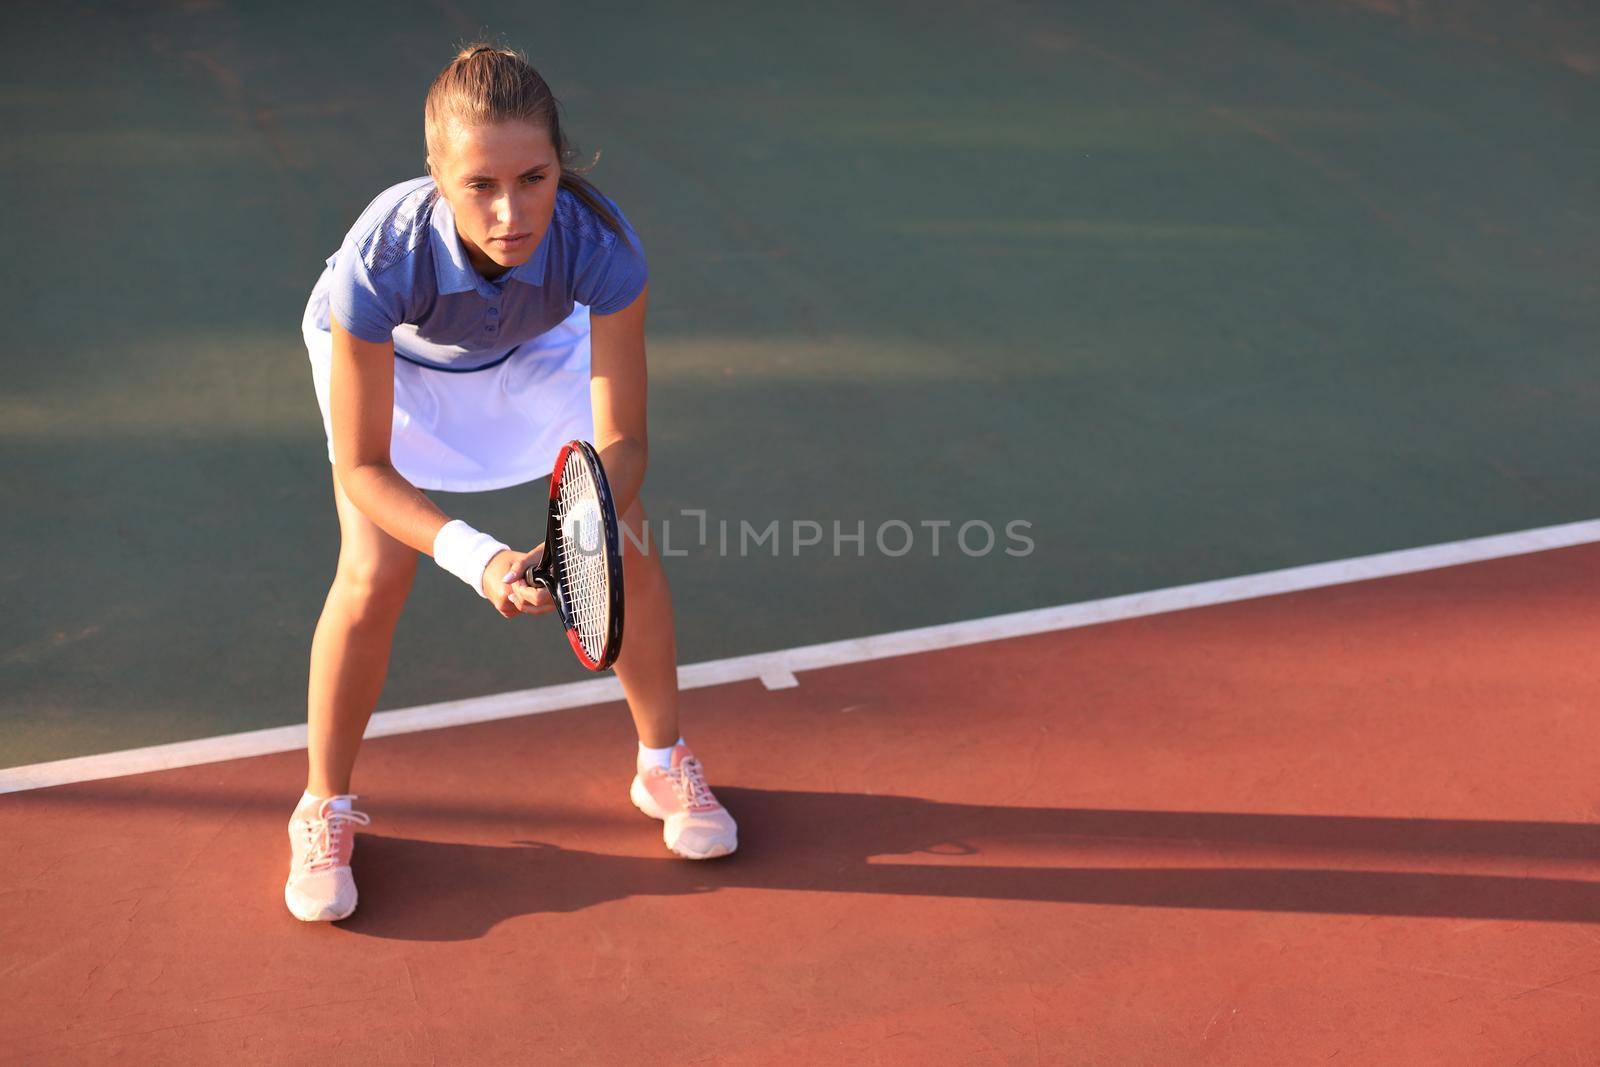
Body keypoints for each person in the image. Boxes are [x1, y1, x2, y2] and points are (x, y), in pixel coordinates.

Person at [287, 43, 737, 923]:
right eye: (479, 185)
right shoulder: (379, 262)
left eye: (534, 178)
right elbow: (364, 465)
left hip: (531, 349)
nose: (509, 212)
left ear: (560, 165)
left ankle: (661, 761)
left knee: (629, 539)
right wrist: (483, 558)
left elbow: (626, 438)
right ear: (436, 176)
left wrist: (587, 525)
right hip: (403, 369)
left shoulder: (598, 245)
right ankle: (322, 805)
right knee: (374, 571)